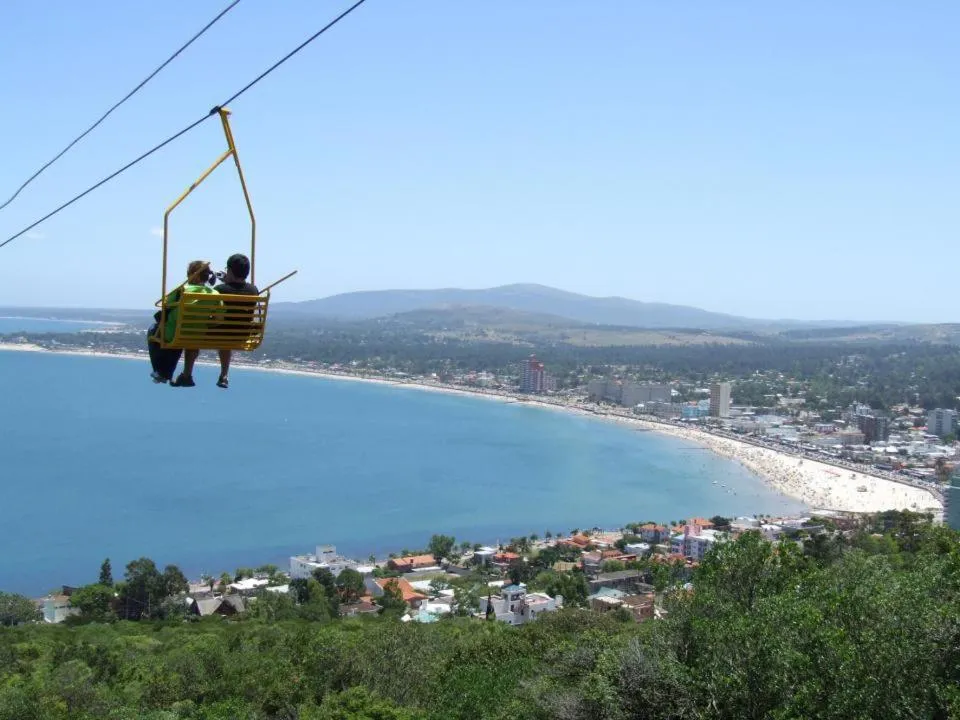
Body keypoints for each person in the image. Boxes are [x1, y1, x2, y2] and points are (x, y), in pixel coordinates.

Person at [148, 260, 217, 384]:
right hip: (197, 336)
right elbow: (219, 319)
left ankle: (160, 371)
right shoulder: (215, 294)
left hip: (176, 334)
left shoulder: (181, 291)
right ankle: (165, 373)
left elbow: (166, 309)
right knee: (180, 334)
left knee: (154, 330)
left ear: (192, 274)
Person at [211, 253, 259, 389]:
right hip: (241, 335)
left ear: (230, 270)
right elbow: (236, 289)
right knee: (227, 334)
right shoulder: (253, 290)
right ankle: (224, 375)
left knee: (221, 330)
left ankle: (186, 373)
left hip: (218, 334)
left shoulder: (219, 290)